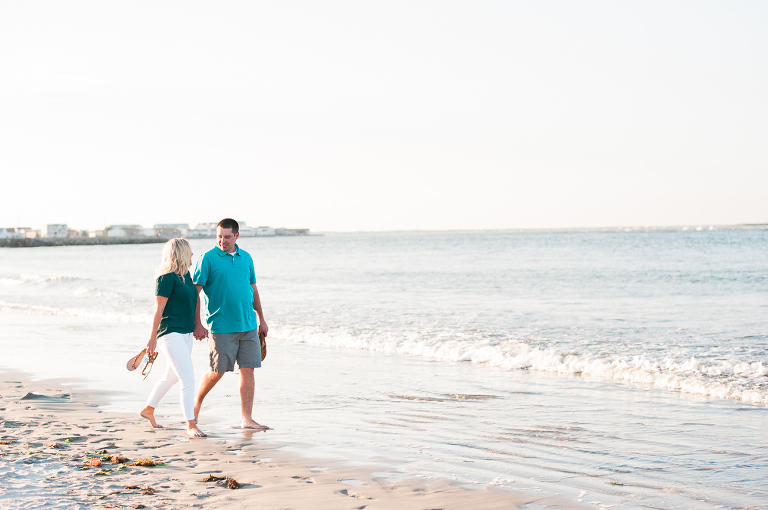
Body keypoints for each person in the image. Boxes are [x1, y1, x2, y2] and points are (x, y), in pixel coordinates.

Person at [192, 218, 269, 429]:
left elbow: (252, 289)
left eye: (227, 237)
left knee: (248, 370)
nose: (222, 241)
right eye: (219, 236)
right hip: (221, 327)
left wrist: (261, 318)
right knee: (217, 371)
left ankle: (247, 419)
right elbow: (194, 293)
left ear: (236, 236)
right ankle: (195, 404)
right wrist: (197, 323)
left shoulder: (246, 258)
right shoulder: (207, 258)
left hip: (248, 326)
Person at [140, 238, 206, 438]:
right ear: (180, 253)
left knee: (171, 377)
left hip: (186, 333)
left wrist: (198, 324)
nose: (193, 254)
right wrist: (152, 338)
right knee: (188, 378)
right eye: (189, 251)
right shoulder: (166, 277)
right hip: (170, 333)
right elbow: (158, 309)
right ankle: (191, 425)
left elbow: (195, 301)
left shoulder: (186, 275)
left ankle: (148, 409)